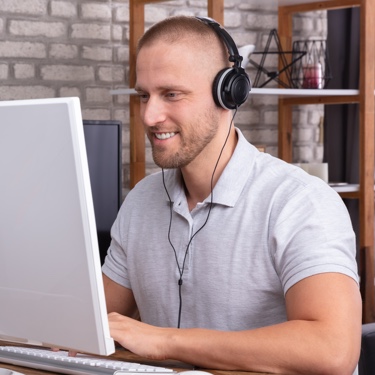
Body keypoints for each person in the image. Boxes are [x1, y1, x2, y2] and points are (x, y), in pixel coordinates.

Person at [102, 15, 362, 375]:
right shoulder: (142, 201)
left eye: (171, 94)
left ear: (229, 92)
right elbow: (97, 321)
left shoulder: (299, 202)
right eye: (144, 95)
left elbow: (333, 350)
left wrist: (166, 341)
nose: (149, 115)